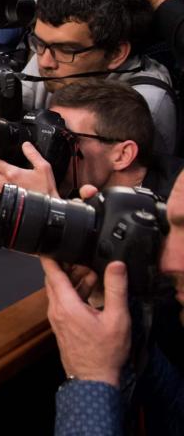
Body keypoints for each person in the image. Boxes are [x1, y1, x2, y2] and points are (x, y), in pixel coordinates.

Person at [25, 89, 184, 433]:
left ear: (123, 154)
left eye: (68, 139)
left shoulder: (168, 200)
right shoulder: (90, 198)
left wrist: (92, 377)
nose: (169, 262)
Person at [0, 80, 184, 229]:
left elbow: (139, 287)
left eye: (64, 138)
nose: (49, 149)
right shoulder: (69, 184)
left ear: (122, 155)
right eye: (47, 134)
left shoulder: (175, 207)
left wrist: (50, 210)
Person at [19, 0, 178, 156]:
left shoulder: (146, 106)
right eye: (39, 43)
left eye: (67, 49)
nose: (45, 63)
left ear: (116, 54)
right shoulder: (52, 57)